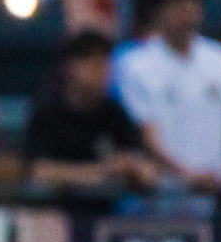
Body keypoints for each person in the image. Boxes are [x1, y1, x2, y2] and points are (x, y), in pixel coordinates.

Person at [113, 0, 221, 189]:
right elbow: (146, 136)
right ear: (158, 10)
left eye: (192, 0)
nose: (186, 9)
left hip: (214, 188)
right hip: (162, 194)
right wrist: (188, 175)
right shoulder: (135, 63)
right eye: (177, 1)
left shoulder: (218, 57)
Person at [24, 30, 161, 192]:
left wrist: (133, 167)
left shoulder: (114, 113)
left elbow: (141, 163)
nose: (100, 70)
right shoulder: (48, 112)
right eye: (91, 62)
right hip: (56, 209)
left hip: (111, 212)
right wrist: (100, 171)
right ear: (69, 67)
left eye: (104, 62)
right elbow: (38, 170)